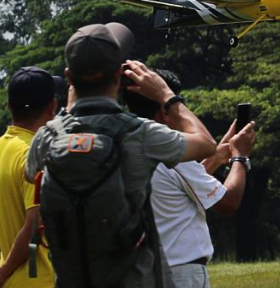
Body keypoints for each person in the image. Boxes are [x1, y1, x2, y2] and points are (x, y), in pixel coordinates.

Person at [25, 22, 216, 288]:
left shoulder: (47, 137)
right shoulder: (138, 132)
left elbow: (28, 171)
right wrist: (166, 95)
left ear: (69, 78)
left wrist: (69, 113)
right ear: (118, 76)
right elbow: (207, 144)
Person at [123, 70, 256, 288]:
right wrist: (240, 156)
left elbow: (177, 184)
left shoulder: (131, 143)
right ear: (166, 111)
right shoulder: (173, 152)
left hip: (147, 271)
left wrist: (217, 159)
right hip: (183, 273)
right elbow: (228, 202)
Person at [0, 67, 61, 288]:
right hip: (41, 280)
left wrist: (6, 258)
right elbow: (35, 221)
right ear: (53, 107)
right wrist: (5, 268)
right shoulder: (34, 153)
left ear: (9, 106)